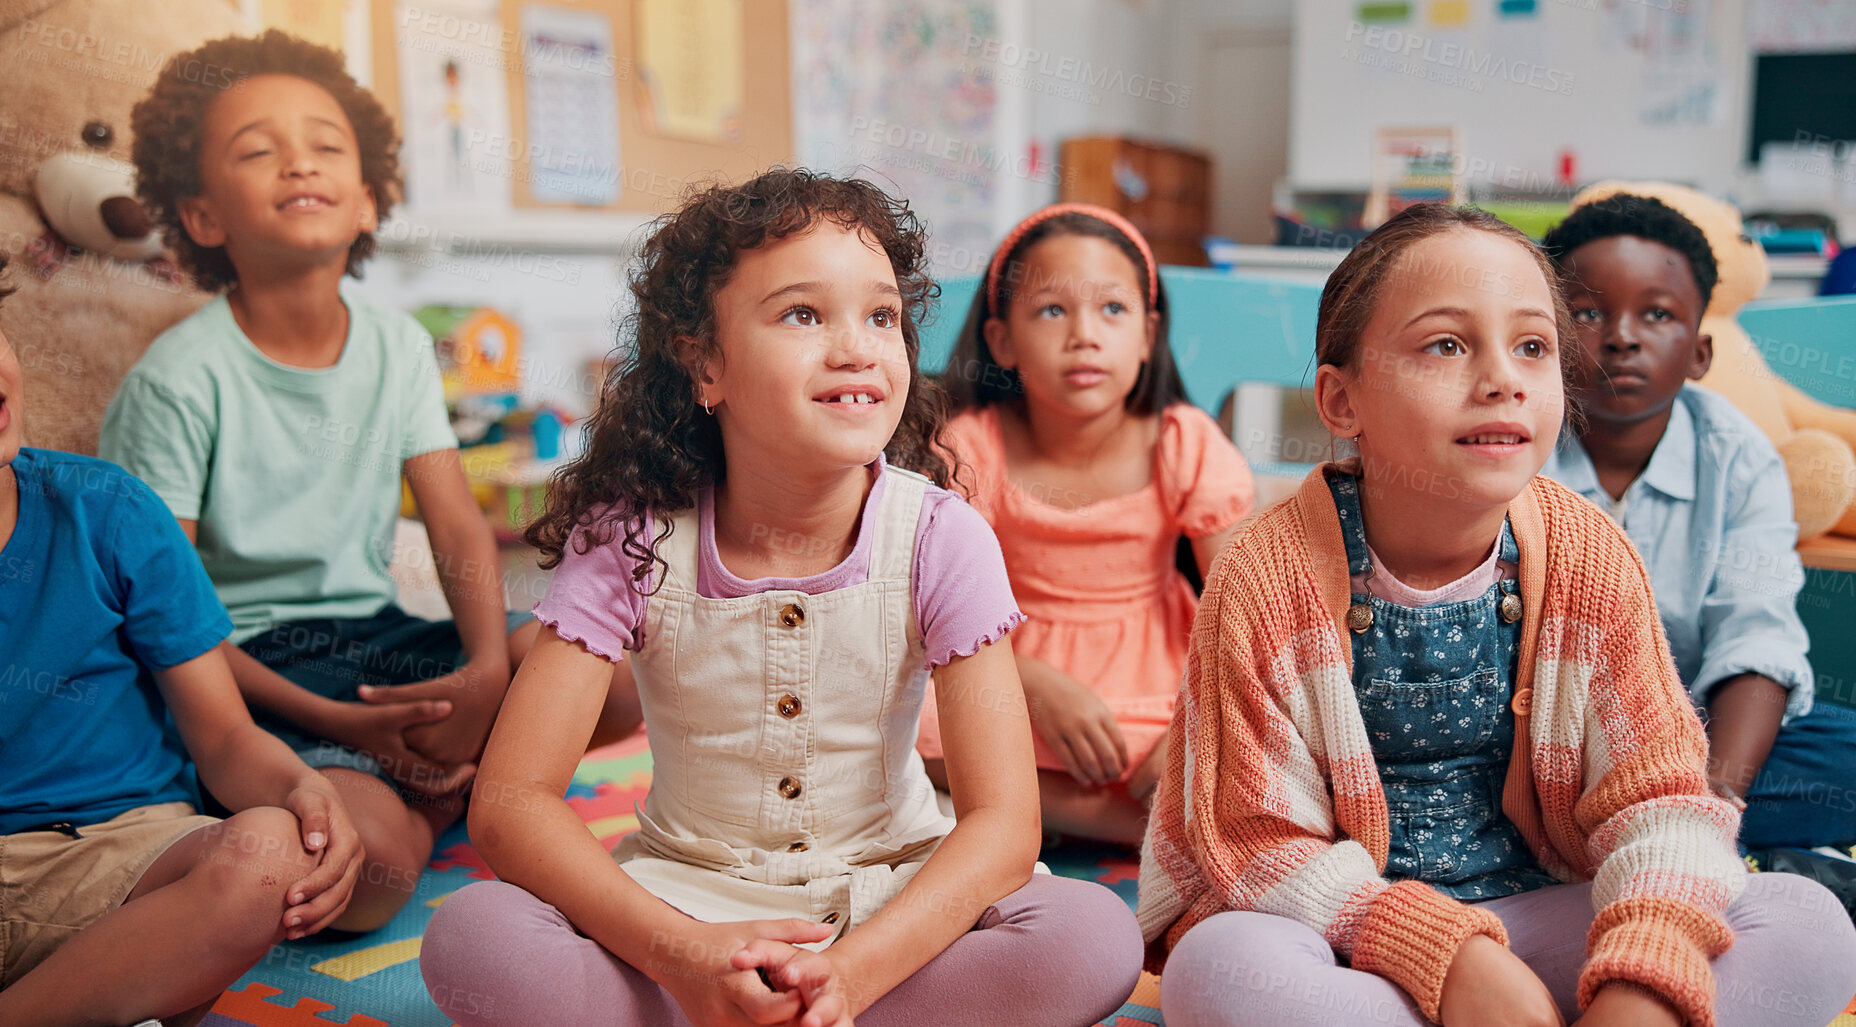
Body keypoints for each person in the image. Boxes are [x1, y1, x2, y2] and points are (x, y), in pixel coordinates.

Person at [417, 169, 1143, 1027]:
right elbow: (510, 803)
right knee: (472, 935)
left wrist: (854, 974)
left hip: (894, 893)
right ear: (705, 363)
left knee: (1090, 934)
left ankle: (777, 1012)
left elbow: (1002, 826)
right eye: (803, 314)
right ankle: (741, 1003)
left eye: (880, 316)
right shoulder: (630, 536)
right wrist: (676, 951)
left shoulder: (941, 536)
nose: (857, 347)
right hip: (685, 898)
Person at [1140, 203, 1856, 1027]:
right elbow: (1256, 846)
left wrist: (1643, 984)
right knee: (1220, 970)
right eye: (1445, 345)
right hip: (1348, 933)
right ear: (1342, 401)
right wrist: (1450, 960)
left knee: (1807, 928)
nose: (1502, 379)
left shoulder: (1589, 553)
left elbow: (1658, 797)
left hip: (1546, 914)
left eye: (1532, 346)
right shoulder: (1264, 575)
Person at [102, 31, 639, 933]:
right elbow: (165, 619)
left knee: (608, 681)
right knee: (374, 876)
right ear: (201, 217)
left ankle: (450, 774)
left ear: (363, 201)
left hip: (380, 638)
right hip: (256, 669)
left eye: (323, 146)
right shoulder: (177, 379)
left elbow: (458, 530)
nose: (297, 164)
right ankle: (450, 795)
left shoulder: (392, 345)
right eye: (257, 150)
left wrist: (475, 670)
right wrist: (339, 725)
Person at [0, 256, 361, 1026]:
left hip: (127, 868)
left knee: (268, 854)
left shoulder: (108, 511)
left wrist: (303, 788)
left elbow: (225, 736)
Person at [1539, 193, 1856, 853]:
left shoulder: (1737, 457)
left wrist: (1715, 798)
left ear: (1699, 351)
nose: (1621, 335)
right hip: (1535, 736)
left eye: (1656, 313)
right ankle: (1603, 834)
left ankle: (1624, 837)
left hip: (1691, 734)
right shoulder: (1513, 445)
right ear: (1549, 337)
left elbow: (1753, 634)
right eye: (1588, 312)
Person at [923, 203, 1255, 844]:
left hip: (1161, 679)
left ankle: (1071, 810)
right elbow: (941, 609)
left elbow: (1244, 611)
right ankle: (1135, 826)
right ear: (1003, 340)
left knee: (1254, 739)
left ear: (1147, 335)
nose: (1084, 335)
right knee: (914, 730)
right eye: (1052, 310)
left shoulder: (1182, 441)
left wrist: (1192, 725)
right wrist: (1037, 684)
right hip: (1010, 663)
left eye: (1112, 309)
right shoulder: (972, 446)